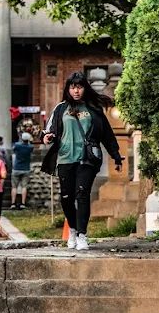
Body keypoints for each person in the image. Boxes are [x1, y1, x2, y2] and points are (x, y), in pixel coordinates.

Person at [41, 72, 123, 251]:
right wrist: (47, 137)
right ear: (68, 89)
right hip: (65, 158)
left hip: (87, 159)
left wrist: (116, 156)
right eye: (72, 87)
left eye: (79, 87)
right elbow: (49, 130)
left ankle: (82, 235)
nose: (76, 91)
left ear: (84, 88)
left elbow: (107, 135)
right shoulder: (61, 108)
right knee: (66, 198)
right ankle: (72, 228)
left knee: (82, 194)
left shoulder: (93, 109)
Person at [10, 132, 34, 209]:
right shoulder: (30, 147)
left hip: (16, 168)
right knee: (24, 187)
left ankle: (13, 203)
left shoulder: (17, 145)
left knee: (14, 187)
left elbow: (13, 149)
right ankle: (23, 203)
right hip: (26, 168)